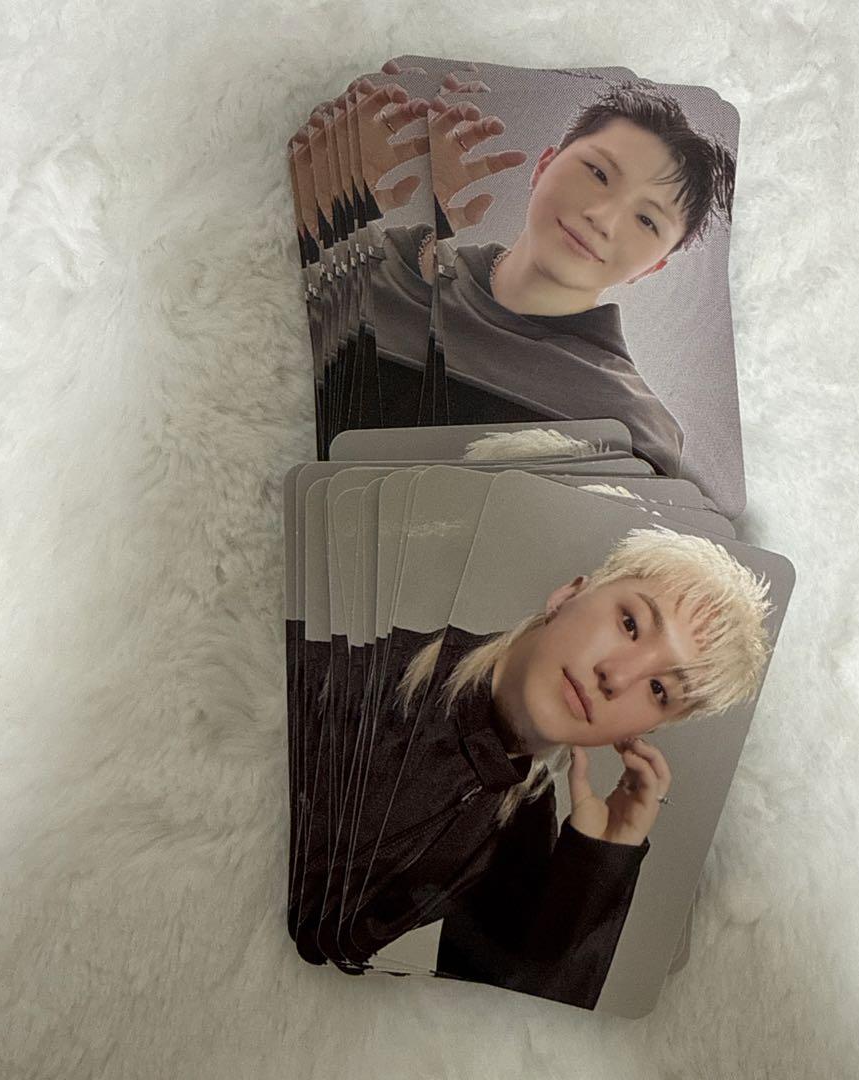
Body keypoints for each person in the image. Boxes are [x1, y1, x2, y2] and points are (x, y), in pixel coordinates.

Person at [312, 526, 771, 1009]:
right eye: (630, 624)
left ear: (649, 729)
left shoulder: (523, 823)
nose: (616, 677)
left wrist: (597, 861)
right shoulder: (342, 670)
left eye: (659, 691)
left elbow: (505, 1018)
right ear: (567, 596)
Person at [360, 81, 735, 473]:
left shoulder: (634, 430)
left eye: (646, 220)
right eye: (598, 174)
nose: (602, 219)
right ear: (543, 166)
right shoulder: (385, 266)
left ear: (652, 267)